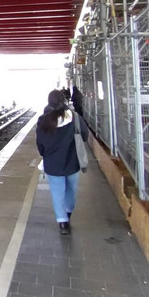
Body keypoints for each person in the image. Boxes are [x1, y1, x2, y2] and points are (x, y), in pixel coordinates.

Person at [36, 89, 89, 235]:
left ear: (49, 102)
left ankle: (62, 222)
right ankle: (68, 212)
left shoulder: (43, 120)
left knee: (57, 192)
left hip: (53, 163)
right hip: (72, 161)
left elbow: (40, 143)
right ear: (64, 101)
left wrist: (45, 154)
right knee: (71, 189)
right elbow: (84, 135)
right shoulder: (74, 117)